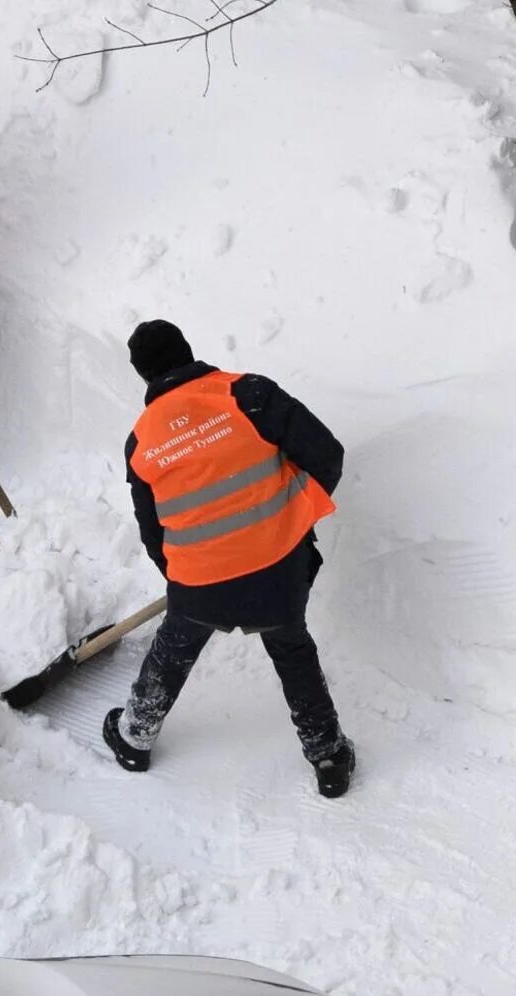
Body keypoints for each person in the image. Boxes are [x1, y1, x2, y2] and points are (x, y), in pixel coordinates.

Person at [103, 320, 356, 797]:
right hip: (279, 572)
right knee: (291, 648)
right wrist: (292, 518)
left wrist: (186, 579)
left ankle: (135, 735)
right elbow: (327, 455)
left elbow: (152, 531)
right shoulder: (249, 395)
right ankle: (328, 756)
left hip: (199, 584)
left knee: (175, 647)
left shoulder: (142, 440)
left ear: (143, 375)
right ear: (187, 351)